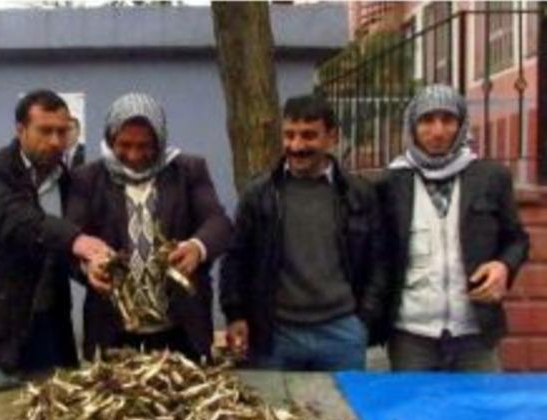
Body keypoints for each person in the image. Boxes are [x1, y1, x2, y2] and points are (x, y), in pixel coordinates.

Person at [0, 89, 110, 383]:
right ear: (21, 130)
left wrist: (89, 268)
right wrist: (76, 240)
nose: (55, 141)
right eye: (45, 131)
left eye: (63, 132)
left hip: (51, 328)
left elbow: (64, 251)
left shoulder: (70, 181)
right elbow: (13, 220)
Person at [220, 94, 386, 370]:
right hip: (276, 334)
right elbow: (235, 258)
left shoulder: (359, 194)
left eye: (309, 136)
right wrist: (235, 314)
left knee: (340, 412)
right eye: (289, 135)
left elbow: (379, 261)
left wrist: (364, 320)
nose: (296, 146)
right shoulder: (259, 194)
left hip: (341, 333)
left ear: (331, 136)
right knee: (273, 412)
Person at [67, 93, 231, 360]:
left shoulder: (188, 171)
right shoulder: (87, 179)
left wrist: (197, 247)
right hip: (114, 333)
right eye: (124, 144)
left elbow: (218, 223)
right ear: (110, 139)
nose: (134, 155)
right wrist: (88, 267)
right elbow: (71, 240)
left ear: (160, 139)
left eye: (145, 146)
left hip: (181, 333)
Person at [377, 84, 529, 371]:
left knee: (480, 413)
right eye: (427, 120)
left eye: (447, 120)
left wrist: (503, 266)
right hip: (412, 336)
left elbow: (516, 239)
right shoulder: (391, 183)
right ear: (412, 125)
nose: (437, 131)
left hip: (475, 332)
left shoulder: (490, 177)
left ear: (461, 125)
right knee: (416, 413)